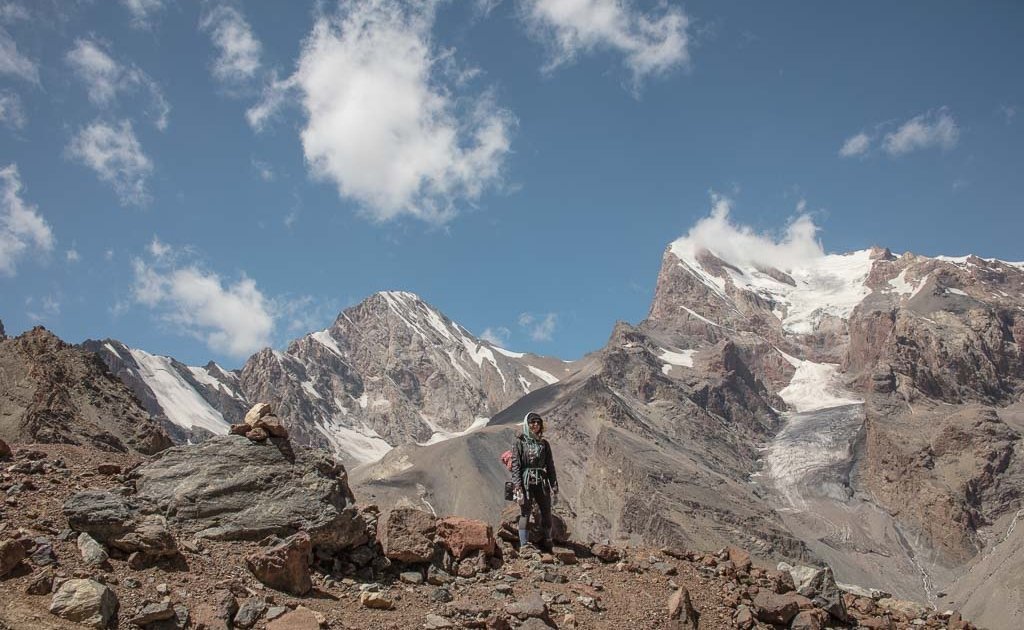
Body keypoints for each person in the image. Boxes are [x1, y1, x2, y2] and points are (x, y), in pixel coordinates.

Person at [510, 411, 558, 552]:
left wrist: (553, 483)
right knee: (525, 511)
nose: (535, 425)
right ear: (527, 424)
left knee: (546, 510)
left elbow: (550, 465)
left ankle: (547, 540)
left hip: (541, 481)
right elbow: (516, 465)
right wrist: (517, 485)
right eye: (532, 422)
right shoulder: (519, 442)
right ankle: (524, 545)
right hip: (525, 482)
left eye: (538, 422)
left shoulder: (544, 444)